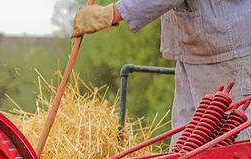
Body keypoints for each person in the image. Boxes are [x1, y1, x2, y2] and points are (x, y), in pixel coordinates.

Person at [71, 1, 251, 146]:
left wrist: (113, 12)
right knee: (184, 149)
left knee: (231, 148)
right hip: (196, 49)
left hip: (228, 53)